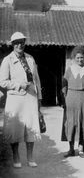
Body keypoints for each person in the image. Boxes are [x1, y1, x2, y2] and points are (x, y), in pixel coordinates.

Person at [0, 32, 42, 168]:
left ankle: (30, 157)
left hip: (31, 98)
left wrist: (39, 98)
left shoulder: (30, 58)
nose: (20, 45)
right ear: (13, 44)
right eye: (17, 42)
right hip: (15, 99)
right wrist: (18, 85)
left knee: (31, 128)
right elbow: (2, 82)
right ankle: (16, 157)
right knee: (15, 129)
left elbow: (37, 80)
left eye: (22, 42)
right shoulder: (7, 60)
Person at [62, 46, 84, 158]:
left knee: (82, 123)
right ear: (74, 58)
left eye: (82, 57)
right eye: (77, 58)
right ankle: (71, 149)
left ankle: (81, 149)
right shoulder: (69, 69)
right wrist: (64, 98)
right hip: (71, 98)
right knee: (71, 123)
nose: (80, 60)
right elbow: (64, 84)